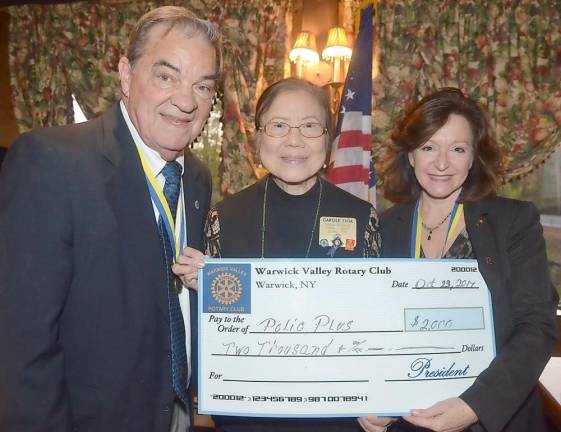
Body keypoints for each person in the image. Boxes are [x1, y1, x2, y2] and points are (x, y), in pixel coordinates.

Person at [0, 6, 221, 432]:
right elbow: (19, 346)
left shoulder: (196, 178)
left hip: (177, 414)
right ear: (125, 73)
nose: (186, 100)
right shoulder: (51, 162)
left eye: (203, 86)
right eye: (166, 76)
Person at [173, 77, 381, 431]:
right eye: (279, 126)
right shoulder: (222, 218)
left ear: (329, 141)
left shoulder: (364, 218)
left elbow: (376, 322)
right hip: (248, 412)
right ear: (257, 138)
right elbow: (219, 329)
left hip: (336, 413)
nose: (294, 140)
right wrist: (203, 287)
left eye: (310, 126)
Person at [370, 88, 559, 432]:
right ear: (410, 155)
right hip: (409, 418)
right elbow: (371, 327)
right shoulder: (383, 227)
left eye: (457, 149)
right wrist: (369, 402)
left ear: (474, 157)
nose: (442, 163)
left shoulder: (514, 222)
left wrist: (475, 406)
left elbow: (537, 326)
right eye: (428, 147)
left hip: (494, 420)